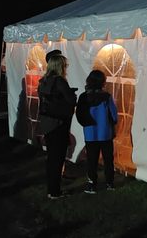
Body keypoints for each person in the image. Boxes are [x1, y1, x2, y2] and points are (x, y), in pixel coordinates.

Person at [37, 54, 77, 200]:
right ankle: (55, 192)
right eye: (65, 65)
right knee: (58, 158)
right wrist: (72, 95)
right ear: (59, 66)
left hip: (47, 123)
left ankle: (52, 189)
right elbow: (71, 100)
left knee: (51, 158)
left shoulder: (43, 81)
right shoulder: (60, 81)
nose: (66, 67)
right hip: (59, 123)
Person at [75, 69, 118, 194]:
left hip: (90, 133)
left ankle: (92, 185)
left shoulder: (84, 97)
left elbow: (79, 114)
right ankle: (110, 183)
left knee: (92, 160)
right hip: (105, 133)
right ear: (102, 82)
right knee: (108, 159)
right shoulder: (106, 97)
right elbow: (114, 115)